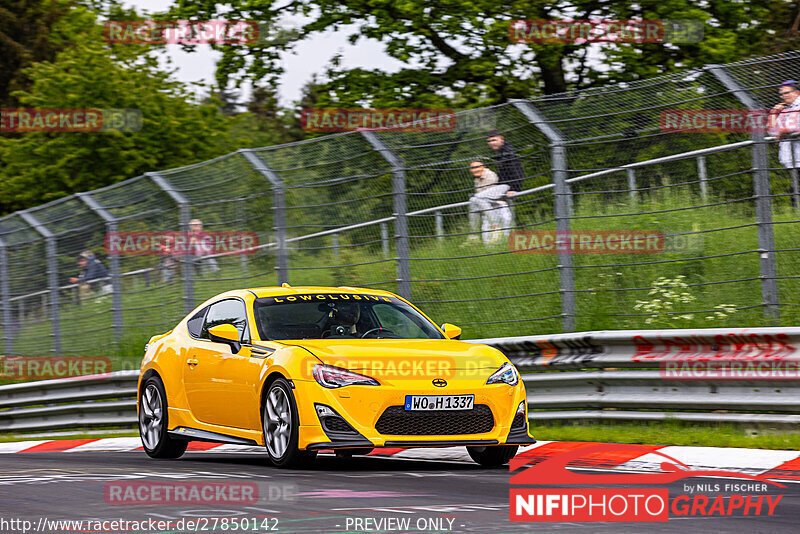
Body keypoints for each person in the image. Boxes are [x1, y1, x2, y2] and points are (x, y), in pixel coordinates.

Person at [465, 159, 513, 244]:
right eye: (473, 168)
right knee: (473, 200)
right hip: (487, 210)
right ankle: (474, 235)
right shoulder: (477, 180)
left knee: (474, 199)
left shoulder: (490, 175)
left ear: (483, 167)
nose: (475, 169)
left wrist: (475, 198)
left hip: (498, 206)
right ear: (470, 170)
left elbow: (486, 198)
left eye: (477, 167)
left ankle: (494, 227)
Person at [769, 80, 800, 169]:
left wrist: (784, 130)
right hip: (792, 159)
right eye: (782, 94)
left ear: (797, 92)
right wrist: (773, 113)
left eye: (786, 93)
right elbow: (773, 132)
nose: (783, 97)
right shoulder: (785, 110)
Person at [486, 129, 525, 197]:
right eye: (489, 141)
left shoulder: (508, 153)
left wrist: (514, 189)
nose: (491, 143)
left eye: (494, 140)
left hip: (509, 188)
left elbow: (516, 171)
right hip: (504, 187)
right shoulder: (502, 152)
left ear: (501, 139)